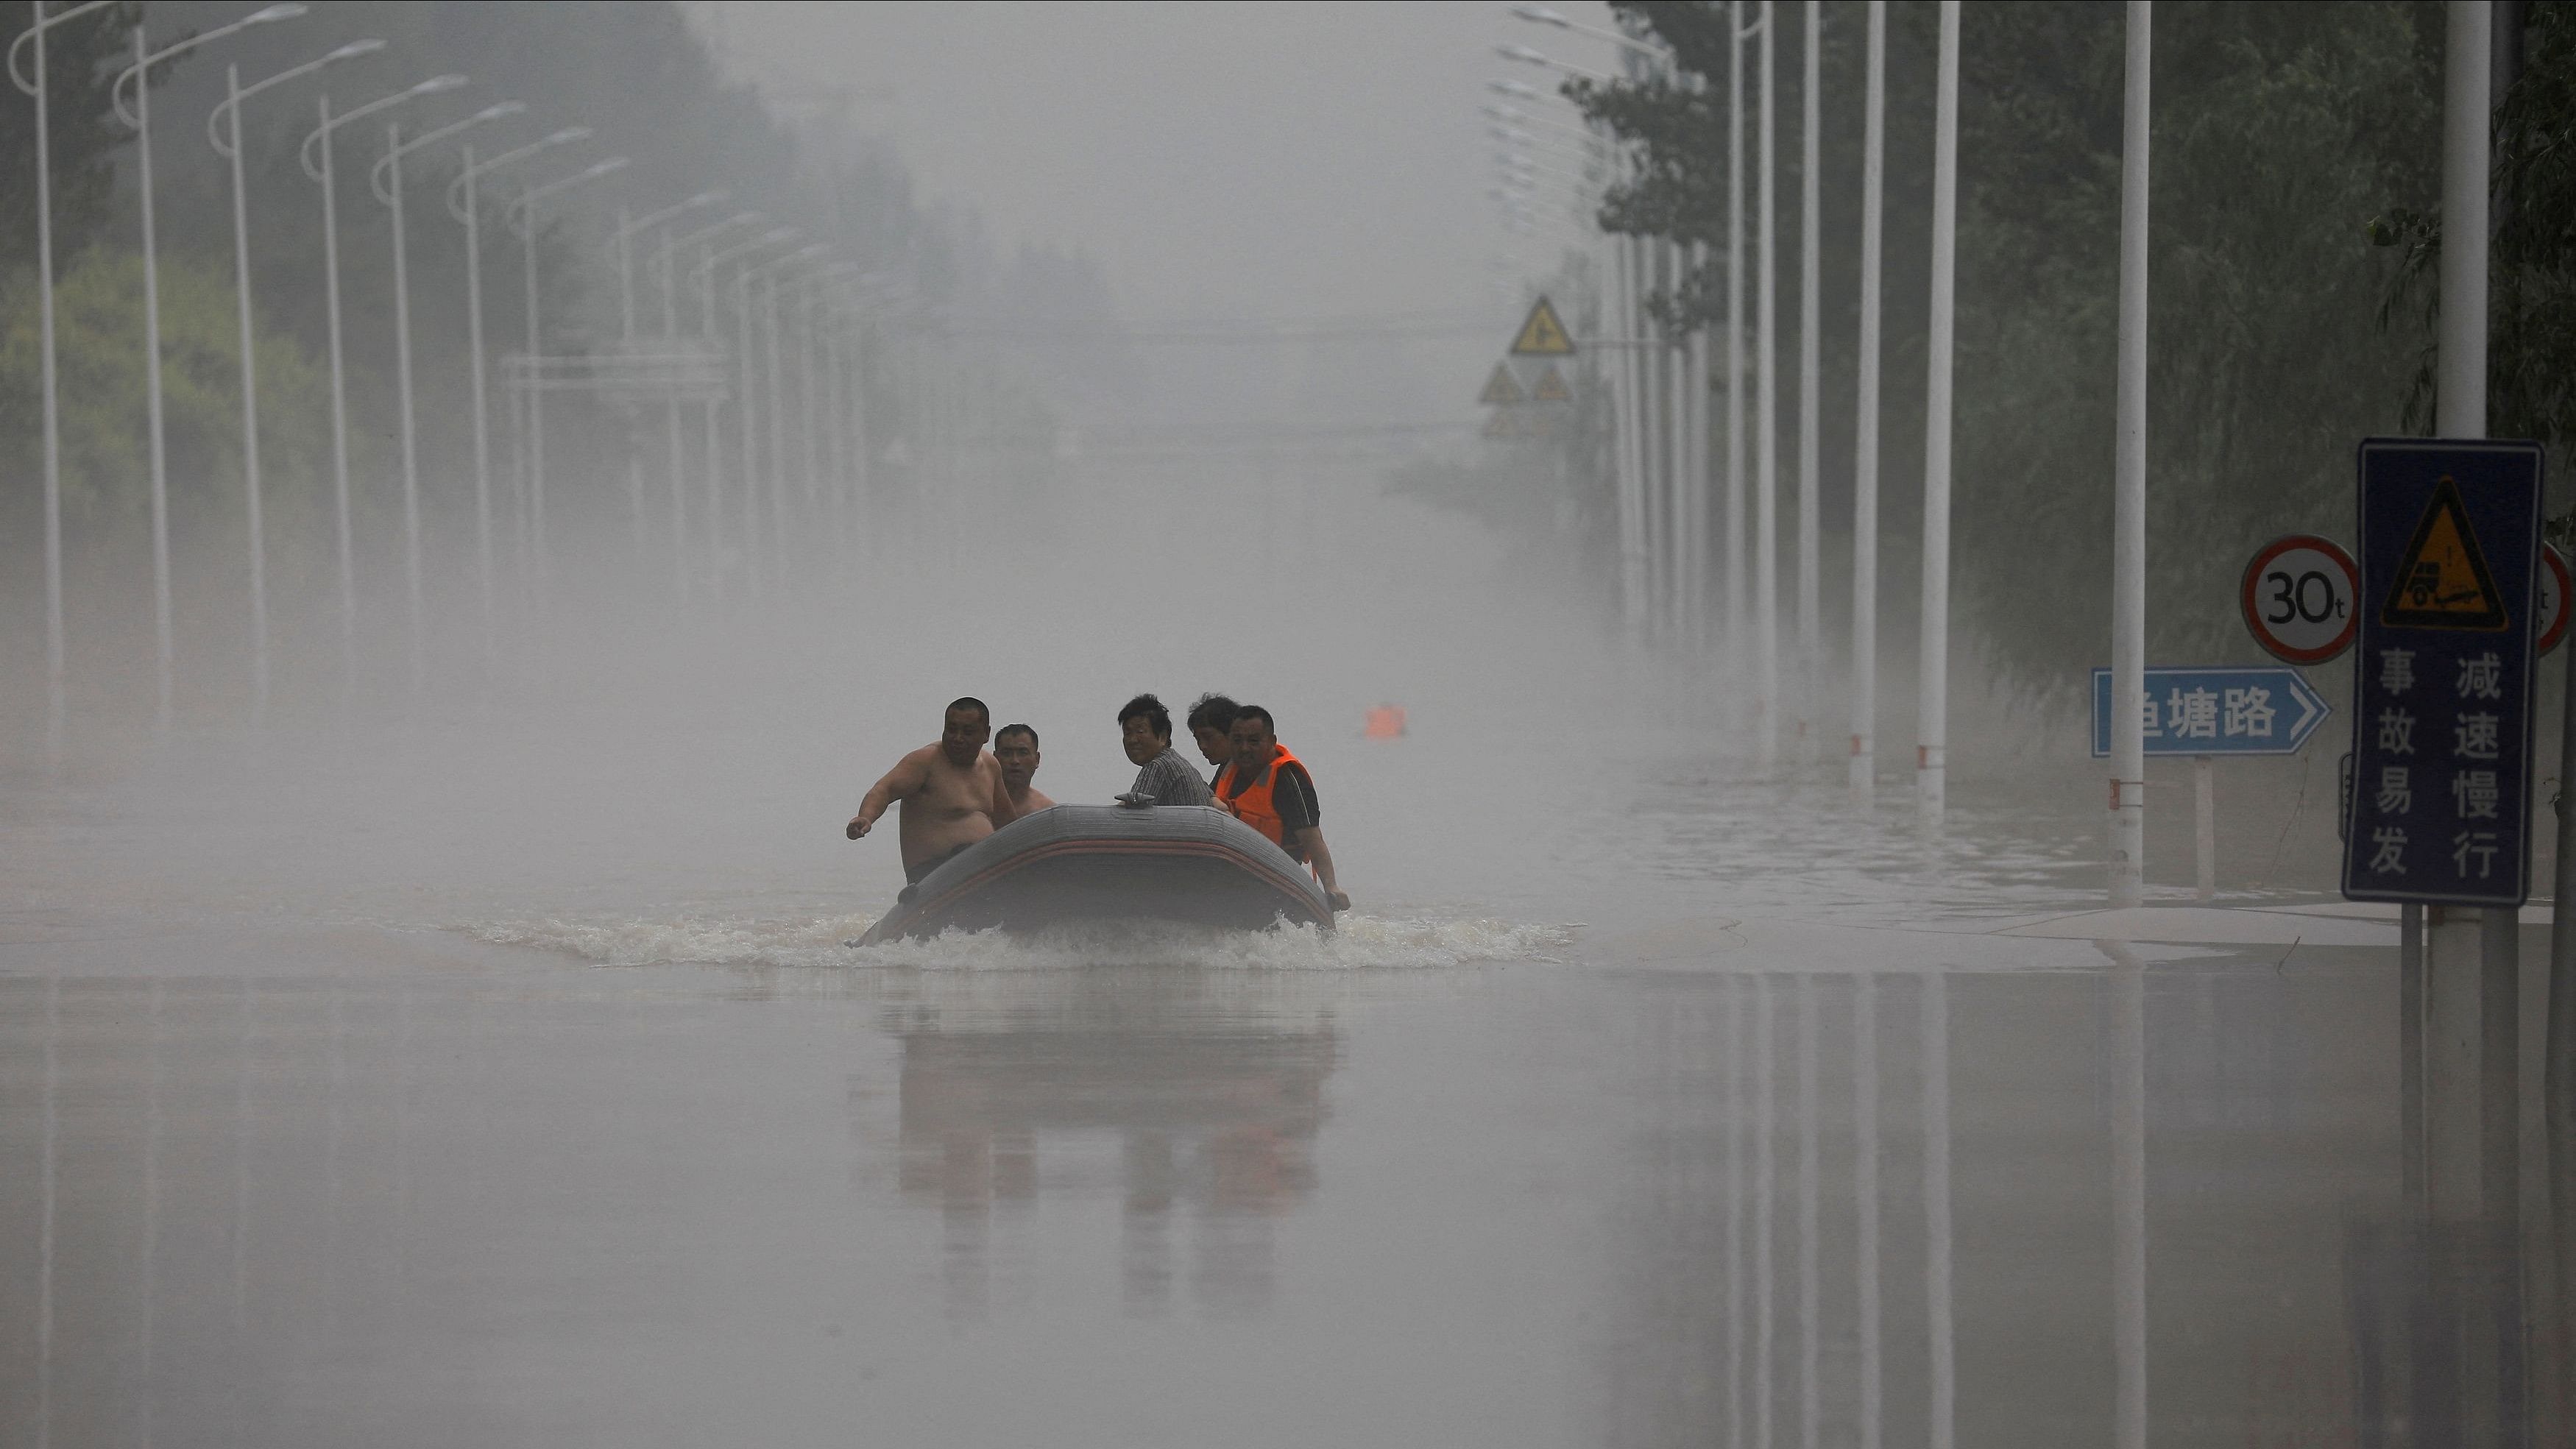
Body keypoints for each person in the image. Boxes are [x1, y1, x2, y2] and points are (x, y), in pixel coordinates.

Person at [846, 697, 1019, 889]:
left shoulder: (990, 765)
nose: (958, 738)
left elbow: (1007, 821)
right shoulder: (925, 761)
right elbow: (884, 790)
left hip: (981, 870)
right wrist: (866, 818)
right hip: (932, 876)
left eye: (968, 732)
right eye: (952, 729)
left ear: (986, 734)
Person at [1214, 704, 1349, 912]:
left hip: (1279, 875)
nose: (1244, 748)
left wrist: (1331, 886)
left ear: (1272, 742)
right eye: (1237, 740)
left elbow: (1312, 838)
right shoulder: (1228, 770)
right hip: (1234, 872)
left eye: (1254, 741)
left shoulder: (1288, 778)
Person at [1118, 692, 1214, 807]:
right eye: (1128, 733)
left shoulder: (1158, 766)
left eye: (1140, 731)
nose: (1133, 740)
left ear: (1163, 737)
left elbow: (1131, 812)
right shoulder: (1183, 765)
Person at [994, 723, 1055, 812]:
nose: (1015, 761)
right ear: (995, 758)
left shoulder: (1047, 812)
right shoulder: (979, 803)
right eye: (1007, 753)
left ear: (1037, 759)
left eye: (1023, 753)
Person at [1186, 692, 1239, 783]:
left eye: (1208, 737)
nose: (1202, 746)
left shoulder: (1249, 773)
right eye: (1198, 739)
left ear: (1232, 733)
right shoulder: (1225, 770)